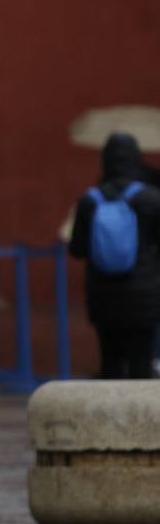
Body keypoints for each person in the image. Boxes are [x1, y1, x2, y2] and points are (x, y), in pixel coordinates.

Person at [68, 131, 160, 379]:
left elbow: (76, 249)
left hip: (103, 297)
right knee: (142, 364)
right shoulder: (151, 198)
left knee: (110, 364)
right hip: (144, 298)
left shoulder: (90, 201)